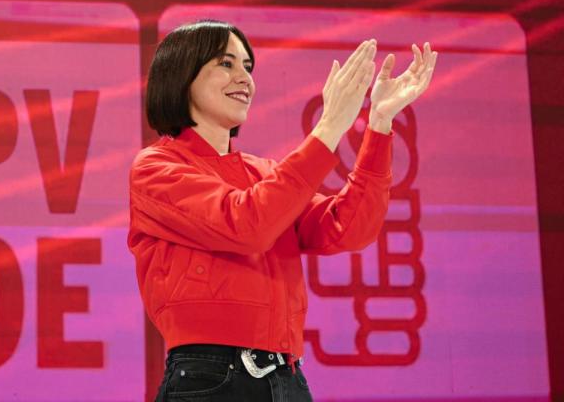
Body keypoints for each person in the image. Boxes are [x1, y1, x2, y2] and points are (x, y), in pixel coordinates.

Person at [129, 20, 437, 401]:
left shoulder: (266, 174)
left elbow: (349, 228)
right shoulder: (155, 168)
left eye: (248, 66)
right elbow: (245, 224)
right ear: (181, 75)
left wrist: (379, 124)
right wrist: (328, 127)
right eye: (226, 64)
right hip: (210, 377)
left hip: (287, 377)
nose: (245, 78)